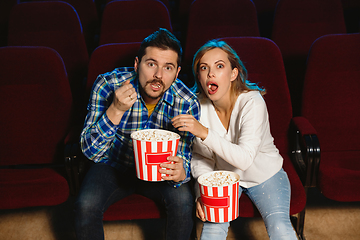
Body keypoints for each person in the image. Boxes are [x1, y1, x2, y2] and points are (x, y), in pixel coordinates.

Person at [75, 28, 200, 240]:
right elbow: (90, 151)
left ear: (177, 73)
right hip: (113, 165)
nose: (158, 75)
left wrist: (182, 171)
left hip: (160, 170)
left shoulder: (186, 102)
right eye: (151, 64)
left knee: (183, 203)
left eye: (167, 68)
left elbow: (185, 155)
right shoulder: (107, 85)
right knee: (85, 205)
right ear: (136, 64)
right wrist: (115, 109)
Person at [171, 40, 298, 240]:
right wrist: (202, 193)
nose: (211, 73)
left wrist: (204, 132)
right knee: (212, 231)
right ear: (200, 77)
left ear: (233, 73)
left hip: (265, 174)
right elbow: (200, 158)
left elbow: (244, 159)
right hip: (222, 177)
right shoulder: (197, 108)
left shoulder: (253, 102)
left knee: (280, 228)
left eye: (219, 66)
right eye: (204, 68)